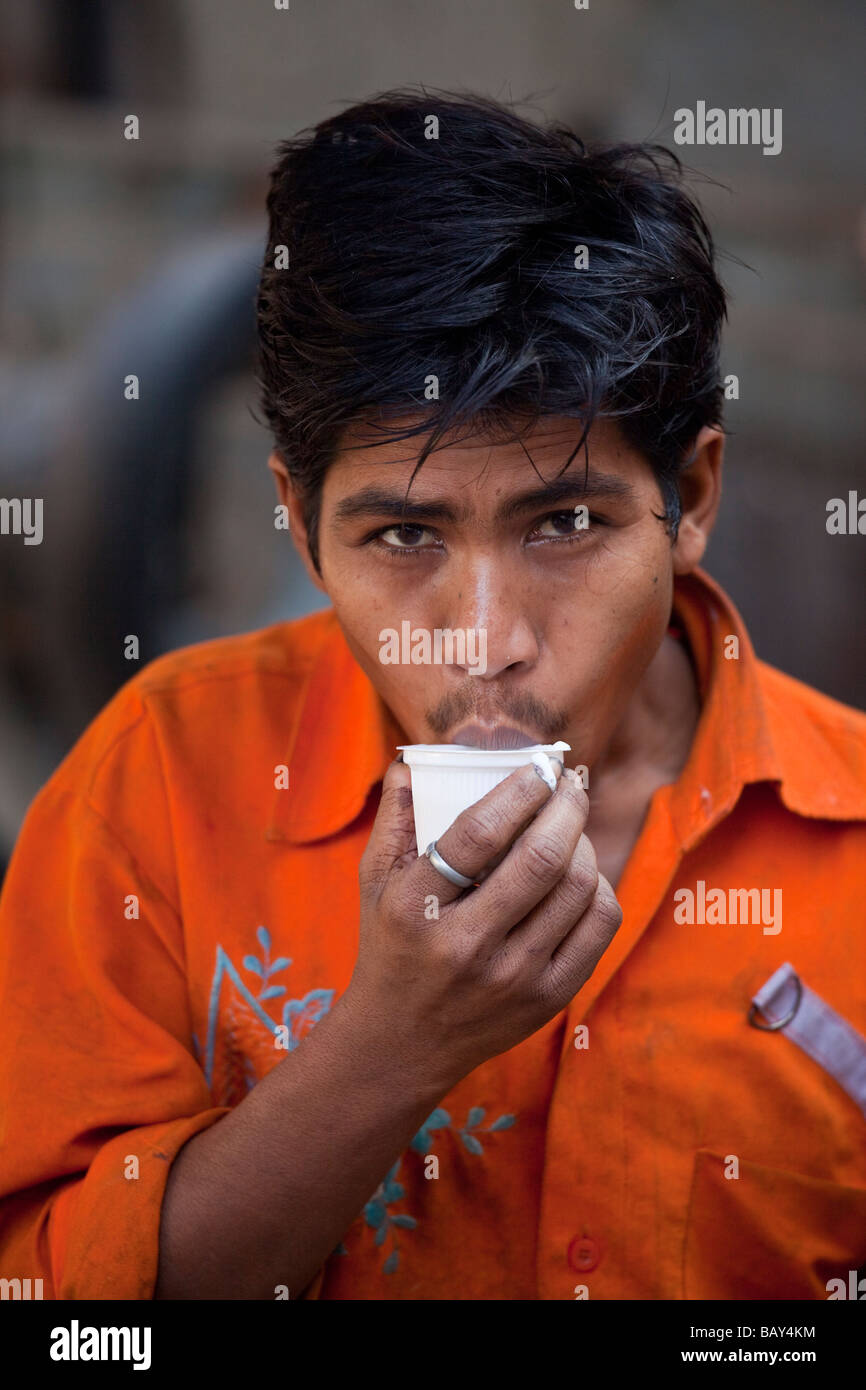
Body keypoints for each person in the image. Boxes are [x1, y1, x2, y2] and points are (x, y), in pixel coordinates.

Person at [1, 89, 864, 1302]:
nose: (486, 642)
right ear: (301, 532)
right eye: (402, 535)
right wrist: (391, 1048)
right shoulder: (155, 786)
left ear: (692, 500)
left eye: (564, 522)